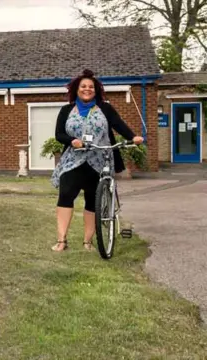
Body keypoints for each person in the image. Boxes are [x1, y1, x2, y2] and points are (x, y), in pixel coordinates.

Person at [50, 69, 143, 252]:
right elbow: (59, 134)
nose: (87, 89)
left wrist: (133, 137)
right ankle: (62, 240)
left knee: (92, 201)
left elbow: (118, 124)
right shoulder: (66, 110)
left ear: (96, 90)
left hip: (99, 160)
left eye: (91, 87)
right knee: (66, 195)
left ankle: (88, 242)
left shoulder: (105, 108)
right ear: (76, 89)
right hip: (73, 160)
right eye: (83, 86)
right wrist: (72, 141)